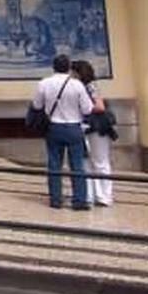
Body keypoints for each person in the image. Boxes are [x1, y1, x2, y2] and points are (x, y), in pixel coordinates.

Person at [31, 53, 94, 210]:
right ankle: (79, 200)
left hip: (54, 127)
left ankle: (56, 199)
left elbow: (37, 106)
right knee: (77, 166)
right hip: (74, 127)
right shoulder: (77, 85)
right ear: (68, 68)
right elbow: (87, 109)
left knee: (54, 164)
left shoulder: (44, 83)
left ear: (53, 67)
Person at [73, 59, 115, 207]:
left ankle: (105, 195)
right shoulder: (81, 87)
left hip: (96, 127)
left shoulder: (91, 86)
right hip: (86, 127)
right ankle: (94, 194)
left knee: (99, 161)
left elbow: (100, 106)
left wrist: (85, 108)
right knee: (88, 162)